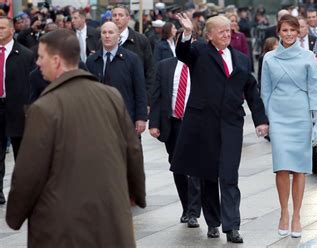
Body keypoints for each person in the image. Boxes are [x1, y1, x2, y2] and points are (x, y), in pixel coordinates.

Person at [6, 29, 146, 247]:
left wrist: (14, 217)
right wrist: (137, 193)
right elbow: (132, 151)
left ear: (56, 60)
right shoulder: (111, 96)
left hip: (62, 226)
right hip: (111, 218)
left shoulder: (44, 108)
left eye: (41, 57)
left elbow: (29, 171)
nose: (38, 63)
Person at [170, 14, 269, 243]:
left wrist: (260, 120)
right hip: (204, 125)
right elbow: (183, 54)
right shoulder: (200, 52)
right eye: (222, 31)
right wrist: (186, 33)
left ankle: (232, 226)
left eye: (229, 31)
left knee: (229, 176)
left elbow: (251, 91)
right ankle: (213, 222)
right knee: (208, 176)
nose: (227, 34)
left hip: (231, 126)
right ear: (210, 35)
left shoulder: (242, 59)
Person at [260, 14, 317, 238]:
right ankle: (283, 213)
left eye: (292, 30)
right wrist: (264, 121)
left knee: (299, 168)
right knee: (281, 167)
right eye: (284, 30)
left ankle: (297, 215)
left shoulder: (308, 57)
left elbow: (316, 90)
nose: (288, 34)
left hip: (301, 116)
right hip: (278, 116)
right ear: (278, 32)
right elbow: (264, 91)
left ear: (298, 32)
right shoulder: (269, 58)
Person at [149, 56, 205, 229]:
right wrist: (154, 124)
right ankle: (186, 207)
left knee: (194, 167)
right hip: (172, 124)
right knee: (177, 166)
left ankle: (194, 212)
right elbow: (156, 96)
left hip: (195, 122)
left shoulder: (202, 66)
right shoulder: (164, 66)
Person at [86, 21, 147, 136]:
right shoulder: (91, 61)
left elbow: (140, 90)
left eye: (111, 32)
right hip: (99, 118)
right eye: (104, 32)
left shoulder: (132, 59)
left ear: (118, 35)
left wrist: (141, 117)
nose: (107, 36)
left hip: (125, 117)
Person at [0, 17, 34, 204]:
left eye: (2, 28)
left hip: (18, 109)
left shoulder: (26, 55)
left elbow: (31, 84)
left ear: (12, 30)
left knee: (21, 153)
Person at [112, 5, 155, 104]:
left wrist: (147, 101)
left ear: (128, 18)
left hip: (135, 99)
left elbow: (150, 71)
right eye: (114, 15)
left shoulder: (141, 40)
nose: (117, 18)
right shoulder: (104, 41)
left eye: (120, 15)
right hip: (110, 100)